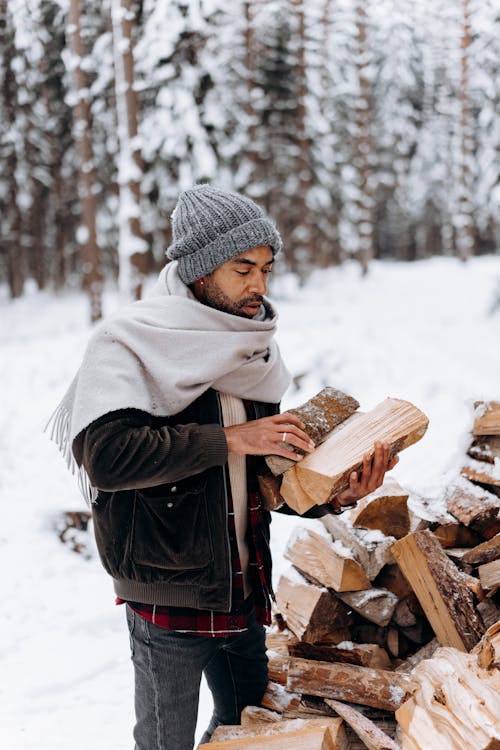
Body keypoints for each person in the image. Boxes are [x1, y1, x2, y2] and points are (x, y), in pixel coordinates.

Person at [50, 185, 397, 750]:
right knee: (166, 742)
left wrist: (336, 493)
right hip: (167, 591)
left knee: (247, 732)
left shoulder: (252, 348)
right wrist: (232, 437)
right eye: (243, 269)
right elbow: (108, 458)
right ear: (199, 271)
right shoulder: (130, 344)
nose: (259, 287)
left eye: (266, 268)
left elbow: (262, 481)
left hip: (241, 583)